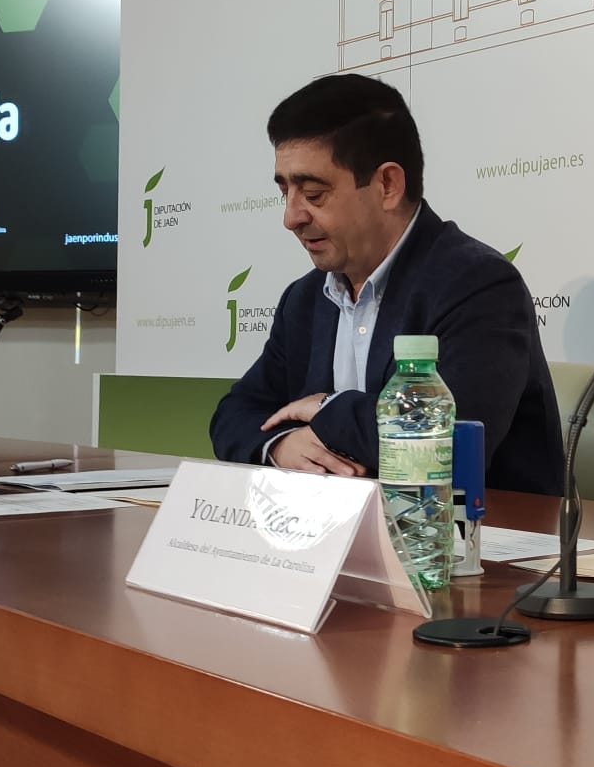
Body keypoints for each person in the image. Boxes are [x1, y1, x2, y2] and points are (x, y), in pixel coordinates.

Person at [209, 73, 564, 494]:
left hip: (472, 544)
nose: (291, 217)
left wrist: (325, 409)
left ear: (387, 185)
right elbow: (236, 414)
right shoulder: (305, 299)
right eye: (285, 191)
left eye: (314, 194)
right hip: (338, 538)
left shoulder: (478, 284)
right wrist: (284, 444)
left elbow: (442, 442)